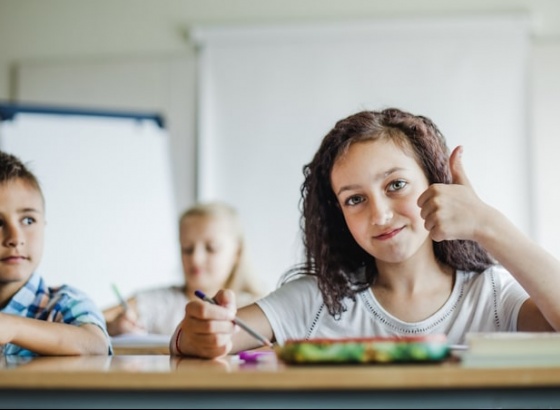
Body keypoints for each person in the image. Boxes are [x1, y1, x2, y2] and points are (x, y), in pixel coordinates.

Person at [171, 107, 560, 359]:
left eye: (395, 185)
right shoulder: (317, 301)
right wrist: (199, 335)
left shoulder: (491, 297)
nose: (381, 214)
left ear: (437, 182)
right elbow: (195, 339)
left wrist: (486, 224)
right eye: (355, 199)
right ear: (339, 215)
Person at [0, 150, 111, 356]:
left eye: (28, 220)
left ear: (44, 225)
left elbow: (96, 345)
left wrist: (12, 327)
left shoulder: (65, 303)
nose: (15, 237)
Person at [104, 201, 265, 336]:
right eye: (187, 249)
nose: (195, 258)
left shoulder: (256, 308)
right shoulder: (158, 302)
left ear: (237, 252)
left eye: (211, 248)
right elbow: (90, 322)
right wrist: (113, 327)